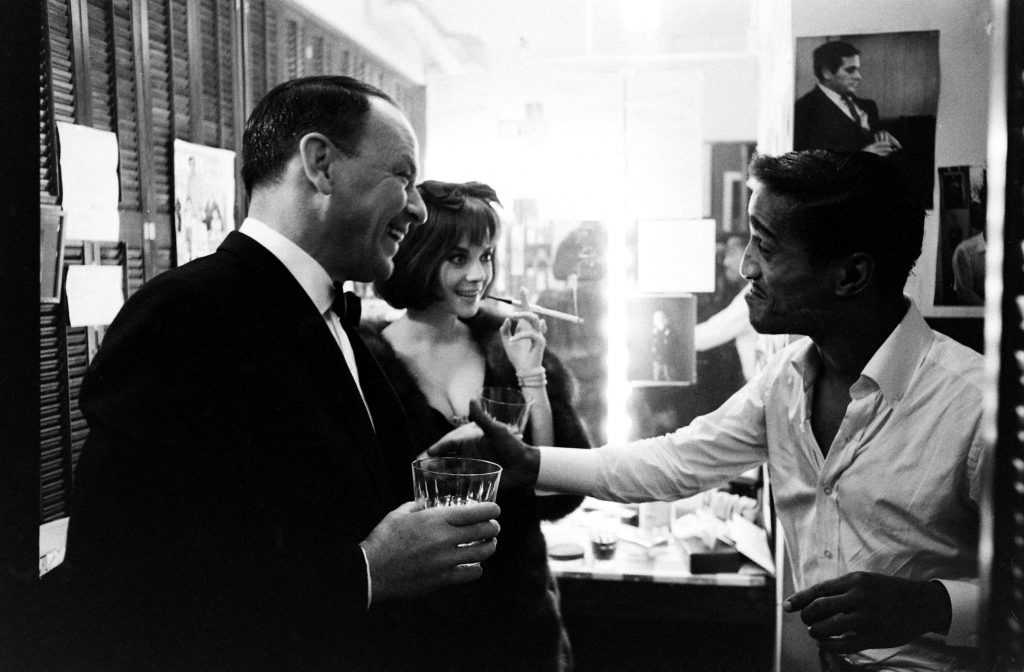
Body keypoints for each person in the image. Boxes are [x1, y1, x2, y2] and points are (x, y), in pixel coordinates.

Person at [434, 150, 987, 671]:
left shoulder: (976, 405)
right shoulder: (788, 380)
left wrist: (932, 605)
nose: (744, 266)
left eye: (766, 247)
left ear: (850, 275)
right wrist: (530, 463)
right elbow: (674, 462)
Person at [64, 76, 501, 672]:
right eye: (403, 176)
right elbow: (127, 582)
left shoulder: (332, 316)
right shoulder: (185, 315)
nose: (419, 208)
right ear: (320, 164)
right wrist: (367, 571)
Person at [362, 179, 591, 672]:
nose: (478, 275)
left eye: (486, 256)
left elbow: (553, 491)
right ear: (419, 256)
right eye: (459, 258)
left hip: (518, 616)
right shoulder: (366, 364)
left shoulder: (507, 351)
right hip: (416, 620)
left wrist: (532, 373)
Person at [795, 40, 902, 157]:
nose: (858, 76)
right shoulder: (804, 110)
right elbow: (810, 164)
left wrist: (884, 137)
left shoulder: (868, 106)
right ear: (827, 72)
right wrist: (861, 157)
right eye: (850, 70)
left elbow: (873, 134)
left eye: (857, 70)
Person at [695, 233, 757, 381]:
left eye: (732, 254)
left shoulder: (754, 297)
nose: (726, 263)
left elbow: (709, 335)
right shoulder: (753, 291)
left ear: (749, 255)